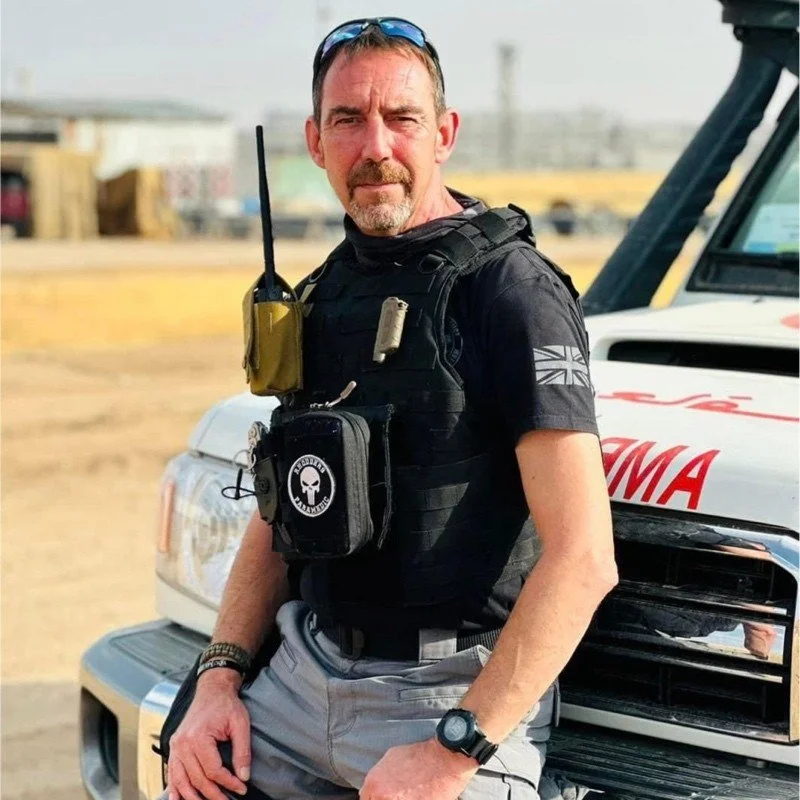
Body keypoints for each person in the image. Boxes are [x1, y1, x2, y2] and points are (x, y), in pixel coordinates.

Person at [163, 17, 617, 800]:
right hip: (301, 678)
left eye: (401, 118)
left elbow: (583, 560)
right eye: (347, 120)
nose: (375, 146)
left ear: (444, 133)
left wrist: (455, 751)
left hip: (451, 693)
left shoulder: (511, 293)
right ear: (314, 141)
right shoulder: (324, 295)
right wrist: (216, 681)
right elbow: (285, 513)